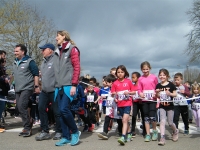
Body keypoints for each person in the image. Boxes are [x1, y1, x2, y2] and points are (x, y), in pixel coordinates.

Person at [54, 30, 81, 146]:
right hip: (58, 86)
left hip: (68, 85)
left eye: (58, 36)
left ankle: (75, 132)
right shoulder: (57, 51)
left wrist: (74, 85)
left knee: (64, 109)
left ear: (64, 37)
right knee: (60, 112)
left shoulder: (72, 49)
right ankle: (66, 136)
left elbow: (77, 67)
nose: (56, 38)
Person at [35, 43, 62, 141]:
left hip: (55, 90)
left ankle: (59, 131)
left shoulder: (56, 59)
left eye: (44, 49)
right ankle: (45, 131)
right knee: (41, 108)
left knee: (56, 111)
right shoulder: (43, 62)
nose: (42, 51)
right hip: (44, 91)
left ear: (50, 50)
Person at [13, 44, 40, 137]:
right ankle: (29, 122)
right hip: (18, 89)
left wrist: (36, 86)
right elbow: (16, 76)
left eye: (17, 51)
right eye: (14, 51)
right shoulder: (15, 62)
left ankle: (27, 128)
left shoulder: (30, 61)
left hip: (27, 88)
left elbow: (36, 74)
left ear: (23, 52)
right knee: (19, 108)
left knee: (21, 106)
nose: (15, 53)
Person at [111, 65, 134, 145]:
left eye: (122, 72)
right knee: (125, 120)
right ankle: (129, 132)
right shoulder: (115, 83)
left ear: (125, 73)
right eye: (118, 72)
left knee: (124, 120)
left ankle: (123, 137)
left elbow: (134, 92)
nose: (120, 74)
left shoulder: (128, 81)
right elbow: (112, 94)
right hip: (119, 104)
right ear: (116, 73)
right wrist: (114, 95)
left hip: (127, 103)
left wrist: (129, 93)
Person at [155, 69, 178, 145]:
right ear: (158, 76)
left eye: (164, 75)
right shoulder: (158, 85)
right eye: (160, 75)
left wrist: (170, 94)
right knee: (162, 121)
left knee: (170, 123)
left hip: (170, 106)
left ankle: (175, 131)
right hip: (162, 106)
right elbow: (158, 96)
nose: (162, 76)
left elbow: (175, 94)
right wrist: (157, 93)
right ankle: (162, 137)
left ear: (167, 76)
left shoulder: (171, 85)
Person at [137, 61, 158, 142]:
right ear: (141, 69)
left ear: (150, 68)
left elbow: (157, 87)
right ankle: (148, 134)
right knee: (146, 117)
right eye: (143, 69)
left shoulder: (154, 77)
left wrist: (156, 93)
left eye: (147, 69)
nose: (145, 71)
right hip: (145, 100)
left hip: (152, 100)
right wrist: (140, 93)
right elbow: (139, 88)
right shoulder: (140, 78)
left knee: (152, 117)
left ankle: (155, 131)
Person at [131, 72, 146, 137]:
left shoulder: (141, 85)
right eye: (132, 77)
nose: (132, 78)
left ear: (138, 78)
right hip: (135, 103)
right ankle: (133, 130)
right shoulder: (132, 86)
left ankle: (145, 130)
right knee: (134, 116)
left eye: (133, 77)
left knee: (143, 116)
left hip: (142, 102)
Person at [0, 50, 10, 132]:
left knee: (2, 107)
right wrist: (4, 79)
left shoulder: (2, 67)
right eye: (3, 55)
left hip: (3, 90)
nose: (5, 57)